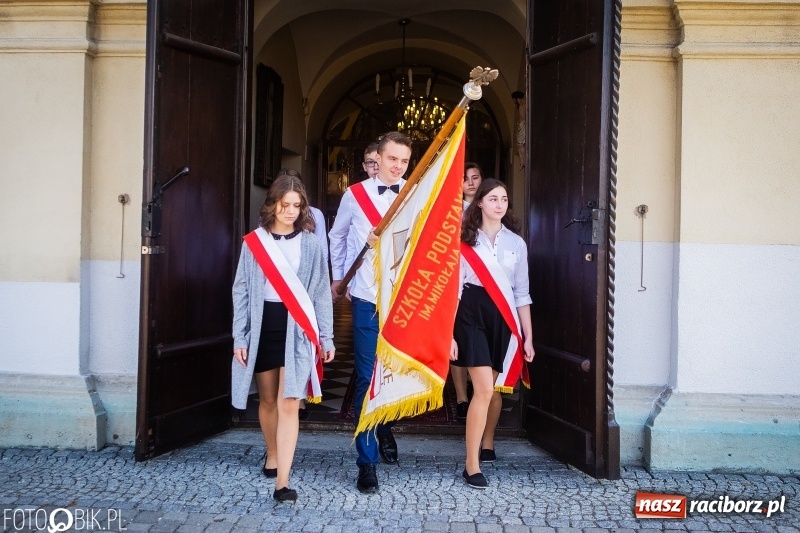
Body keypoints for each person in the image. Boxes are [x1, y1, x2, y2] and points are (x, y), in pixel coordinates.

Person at [231, 174, 335, 502]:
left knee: (289, 402)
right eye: (284, 205)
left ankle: (283, 481)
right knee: (267, 401)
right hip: (264, 326)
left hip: (297, 329)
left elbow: (321, 292)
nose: (290, 211)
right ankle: (272, 452)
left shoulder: (311, 244)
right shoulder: (254, 243)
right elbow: (242, 290)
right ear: (272, 205)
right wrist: (239, 337)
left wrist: (327, 337)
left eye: (296, 205)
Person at [328, 133, 412, 493]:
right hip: (366, 297)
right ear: (378, 157)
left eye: (404, 161)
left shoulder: (415, 193)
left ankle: (385, 427)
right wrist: (338, 277)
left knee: (394, 374)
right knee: (366, 376)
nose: (398, 166)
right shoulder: (355, 194)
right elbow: (337, 236)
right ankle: (367, 462)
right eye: (392, 158)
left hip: (403, 301)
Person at [451, 179, 535, 489]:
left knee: (494, 389)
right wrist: (448, 334)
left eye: (504, 199)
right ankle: (471, 465)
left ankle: (487, 442)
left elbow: (522, 293)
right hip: (471, 313)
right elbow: (454, 291)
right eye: (493, 199)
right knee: (484, 389)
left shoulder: (516, 243)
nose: (500, 204)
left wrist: (528, 336)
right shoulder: (464, 240)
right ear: (480, 203)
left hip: (504, 316)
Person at [452, 162, 484, 418]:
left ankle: (479, 393)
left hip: (483, 283)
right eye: (466, 178)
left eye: (475, 177)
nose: (471, 182)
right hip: (456, 280)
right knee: (458, 339)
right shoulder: (452, 210)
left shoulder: (491, 207)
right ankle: (461, 397)